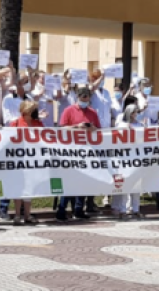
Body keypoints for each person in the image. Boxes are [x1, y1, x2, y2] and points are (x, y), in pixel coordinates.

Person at [55, 86, 101, 221]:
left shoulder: (92, 112)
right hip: (71, 152)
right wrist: (77, 127)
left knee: (84, 181)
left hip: (87, 152)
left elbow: (99, 129)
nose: (85, 101)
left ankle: (78, 209)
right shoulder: (68, 110)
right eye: (83, 99)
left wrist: (93, 128)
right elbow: (61, 128)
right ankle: (62, 210)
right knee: (69, 182)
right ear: (78, 97)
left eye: (87, 99)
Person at [10, 100, 44, 225]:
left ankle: (27, 215)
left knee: (30, 187)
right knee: (19, 187)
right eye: (32, 109)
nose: (35, 112)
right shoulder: (16, 123)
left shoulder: (38, 123)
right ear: (25, 110)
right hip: (19, 159)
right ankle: (17, 215)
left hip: (33, 160)